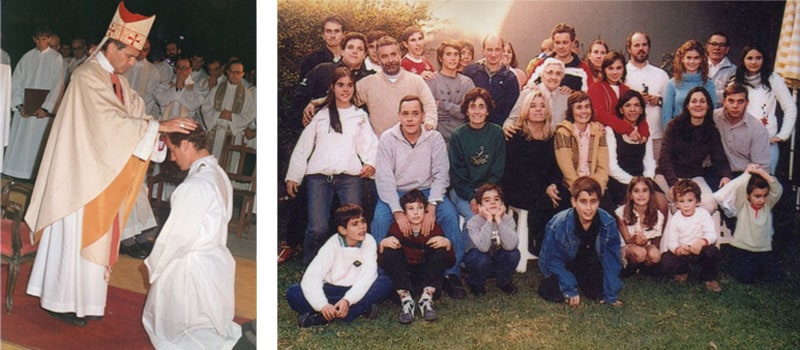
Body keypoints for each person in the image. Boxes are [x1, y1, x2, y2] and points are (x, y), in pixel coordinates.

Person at [25, 2, 197, 326]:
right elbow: (107, 122)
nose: (133, 63)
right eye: (129, 55)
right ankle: (58, 300)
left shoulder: (118, 80)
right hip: (79, 176)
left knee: (94, 239)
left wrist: (161, 131)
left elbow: (134, 116)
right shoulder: (87, 75)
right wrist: (156, 127)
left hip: (100, 174)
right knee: (73, 240)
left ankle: (83, 303)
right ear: (112, 44)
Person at [142, 127, 241, 348]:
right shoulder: (218, 174)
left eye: (173, 150)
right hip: (215, 260)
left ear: (186, 144)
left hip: (191, 267)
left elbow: (177, 238)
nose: (172, 157)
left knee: (170, 330)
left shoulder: (195, 185)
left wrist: (155, 265)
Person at [371, 95, 466, 299]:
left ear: (423, 115)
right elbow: (384, 178)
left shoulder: (434, 138)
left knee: (449, 215)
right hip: (396, 191)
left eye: (415, 113)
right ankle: (379, 275)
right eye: (405, 114)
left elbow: (442, 173)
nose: (410, 119)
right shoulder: (388, 138)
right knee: (380, 219)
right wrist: (397, 212)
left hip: (426, 191)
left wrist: (432, 207)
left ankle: (452, 274)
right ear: (399, 116)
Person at [286, 66, 378, 265]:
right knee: (317, 228)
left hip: (349, 178)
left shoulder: (359, 116)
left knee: (354, 224)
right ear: (332, 88)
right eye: (340, 85)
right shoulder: (321, 114)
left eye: (349, 85)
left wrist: (370, 162)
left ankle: (352, 263)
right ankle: (312, 265)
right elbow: (304, 146)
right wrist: (294, 175)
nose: (345, 90)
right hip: (318, 178)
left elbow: (370, 144)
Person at [285, 204, 392, 328]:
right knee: (293, 292)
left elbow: (367, 276)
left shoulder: (369, 241)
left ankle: (325, 316)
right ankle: (355, 310)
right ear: (342, 230)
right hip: (331, 289)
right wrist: (322, 304)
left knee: (384, 282)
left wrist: (347, 300)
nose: (362, 227)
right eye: (355, 224)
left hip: (355, 289)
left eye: (363, 221)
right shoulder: (332, 244)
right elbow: (312, 276)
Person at [538, 176, 623, 306]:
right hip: (564, 264)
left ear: (599, 202)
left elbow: (611, 259)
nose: (588, 208)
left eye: (593, 201)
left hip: (589, 264)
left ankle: (585, 284)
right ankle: (569, 283)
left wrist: (610, 294)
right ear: (573, 201)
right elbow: (550, 260)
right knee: (551, 291)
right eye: (583, 201)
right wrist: (569, 286)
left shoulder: (608, 222)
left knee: (599, 291)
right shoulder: (558, 223)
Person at [503, 89, 567, 255]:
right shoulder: (516, 136)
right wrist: (544, 189)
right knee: (544, 201)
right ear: (525, 110)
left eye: (542, 106)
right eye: (533, 106)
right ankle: (538, 243)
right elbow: (517, 172)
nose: (538, 109)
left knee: (565, 197)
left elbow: (556, 167)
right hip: (518, 187)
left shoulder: (552, 136)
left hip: (545, 187)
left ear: (547, 111)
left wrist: (553, 184)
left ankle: (563, 243)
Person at [379, 190, 454, 323]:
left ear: (426, 211)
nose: (416, 212)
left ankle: (426, 299)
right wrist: (382, 245)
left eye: (420, 208)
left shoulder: (433, 227)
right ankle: (406, 301)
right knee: (389, 247)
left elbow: (449, 262)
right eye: (411, 208)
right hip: (404, 276)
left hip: (426, 277)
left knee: (439, 246)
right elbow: (385, 261)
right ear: (404, 212)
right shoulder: (397, 227)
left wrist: (447, 245)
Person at [656, 86, 732, 214]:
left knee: (709, 204)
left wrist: (726, 175)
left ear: (708, 106)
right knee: (679, 206)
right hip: (668, 176)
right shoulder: (674, 125)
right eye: (694, 101)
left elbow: (719, 158)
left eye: (702, 101)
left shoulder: (711, 131)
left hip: (693, 176)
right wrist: (674, 184)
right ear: (687, 105)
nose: (698, 105)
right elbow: (664, 158)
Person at [3, 26, 65, 180]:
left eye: (44, 38)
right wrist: (19, 105)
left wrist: (46, 108)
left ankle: (33, 180)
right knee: (20, 145)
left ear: (50, 39)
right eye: (38, 38)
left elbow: (58, 85)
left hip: (41, 114)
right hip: (25, 110)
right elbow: (16, 82)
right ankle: (13, 179)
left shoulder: (56, 58)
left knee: (37, 148)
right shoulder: (27, 57)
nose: (41, 42)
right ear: (34, 39)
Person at [731, 43, 797, 174]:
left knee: (763, 186)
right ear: (743, 60)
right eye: (749, 58)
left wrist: (783, 135)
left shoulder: (773, 79)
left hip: (766, 144)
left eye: (758, 58)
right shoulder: (736, 81)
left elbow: (790, 107)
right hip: (740, 146)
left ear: (764, 59)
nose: (753, 62)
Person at [716, 164, 783, 284]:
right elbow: (740, 187)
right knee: (746, 278)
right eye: (757, 196)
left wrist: (762, 172)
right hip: (743, 249)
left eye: (764, 196)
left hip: (763, 249)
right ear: (748, 195)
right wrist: (747, 172)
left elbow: (777, 189)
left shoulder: (767, 205)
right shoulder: (742, 205)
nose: (762, 200)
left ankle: (759, 268)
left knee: (774, 277)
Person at [448, 87, 506, 224]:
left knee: (494, 218)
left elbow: (497, 170)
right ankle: (466, 247)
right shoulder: (458, 136)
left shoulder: (497, 133)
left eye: (481, 107)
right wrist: (472, 198)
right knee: (475, 219)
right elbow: (458, 173)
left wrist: (485, 198)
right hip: (463, 192)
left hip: (490, 192)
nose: (477, 111)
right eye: (472, 107)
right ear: (467, 111)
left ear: (487, 111)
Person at [294, 32, 373, 126]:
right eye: (350, 47)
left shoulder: (370, 79)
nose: (355, 51)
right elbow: (299, 98)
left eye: (360, 49)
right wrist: (308, 110)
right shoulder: (322, 70)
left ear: (365, 55)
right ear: (342, 51)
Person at [660, 179, 722, 292]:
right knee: (666, 260)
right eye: (682, 201)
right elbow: (672, 242)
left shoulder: (703, 214)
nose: (686, 205)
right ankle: (682, 271)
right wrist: (678, 250)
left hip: (700, 249)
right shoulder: (676, 219)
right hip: (684, 251)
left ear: (697, 201)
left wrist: (702, 242)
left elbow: (712, 235)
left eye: (690, 200)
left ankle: (708, 278)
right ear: (677, 204)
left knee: (712, 252)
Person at [464, 183, 520, 296]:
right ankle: (476, 283)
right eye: (487, 200)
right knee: (479, 257)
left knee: (513, 253)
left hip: (497, 259)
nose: (493, 202)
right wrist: (489, 219)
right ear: (480, 206)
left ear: (502, 204)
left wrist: (499, 219)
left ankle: (504, 281)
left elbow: (510, 245)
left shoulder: (507, 219)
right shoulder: (473, 222)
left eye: (496, 199)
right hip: (479, 258)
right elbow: (483, 247)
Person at [605, 90, 657, 206]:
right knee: (631, 206)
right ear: (621, 110)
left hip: (642, 180)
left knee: (661, 202)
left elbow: (649, 160)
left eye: (636, 105)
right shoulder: (611, 131)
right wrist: (634, 183)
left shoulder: (644, 131)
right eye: (628, 105)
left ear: (641, 110)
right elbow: (611, 167)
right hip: (620, 181)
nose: (632, 109)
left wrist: (647, 180)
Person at [554, 91, 609, 199]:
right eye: (579, 107)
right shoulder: (563, 132)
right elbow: (567, 168)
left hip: (595, 186)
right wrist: (579, 192)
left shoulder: (598, 131)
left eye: (587, 107)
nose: (584, 111)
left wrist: (597, 189)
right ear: (571, 110)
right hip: (571, 187)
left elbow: (603, 166)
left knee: (608, 214)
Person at [624, 32, 670, 162]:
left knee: (656, 174)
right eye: (636, 45)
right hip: (631, 135)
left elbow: (670, 103)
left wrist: (658, 100)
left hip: (657, 135)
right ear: (629, 48)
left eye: (644, 45)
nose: (641, 48)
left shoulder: (661, 74)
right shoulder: (622, 73)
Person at [201, 59, 256, 162]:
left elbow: (250, 115)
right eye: (232, 71)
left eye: (238, 72)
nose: (235, 75)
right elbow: (205, 108)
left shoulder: (247, 95)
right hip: (215, 132)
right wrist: (218, 114)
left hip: (233, 136)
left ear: (242, 74)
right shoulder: (216, 89)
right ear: (227, 72)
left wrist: (232, 117)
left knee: (229, 165)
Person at [588, 51, 650, 142]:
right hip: (602, 137)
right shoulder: (595, 88)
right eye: (610, 68)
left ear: (624, 69)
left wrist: (643, 132)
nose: (615, 72)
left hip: (624, 139)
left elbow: (640, 114)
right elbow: (600, 114)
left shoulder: (626, 90)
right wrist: (628, 129)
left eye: (619, 68)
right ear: (604, 69)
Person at [712, 82, 771, 174]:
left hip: (743, 174)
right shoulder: (712, 118)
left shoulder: (757, 129)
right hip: (714, 172)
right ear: (724, 101)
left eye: (740, 102)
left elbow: (761, 166)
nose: (735, 106)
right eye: (731, 101)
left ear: (747, 103)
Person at [504, 57, 569, 138]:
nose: (554, 77)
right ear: (541, 75)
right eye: (549, 73)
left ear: (562, 77)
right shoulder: (528, 93)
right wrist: (507, 126)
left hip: (557, 144)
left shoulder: (566, 97)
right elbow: (513, 118)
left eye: (558, 74)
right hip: (530, 141)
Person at [462, 34, 519, 125]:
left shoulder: (510, 78)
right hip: (471, 128)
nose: (493, 54)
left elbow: (511, 109)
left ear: (502, 51)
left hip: (498, 131)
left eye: (497, 50)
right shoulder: (470, 72)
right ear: (483, 50)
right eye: (489, 50)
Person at [425, 39, 475, 143]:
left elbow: (467, 113)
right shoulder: (431, 81)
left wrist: (442, 105)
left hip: (463, 139)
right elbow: (429, 113)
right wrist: (457, 109)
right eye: (448, 54)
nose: (453, 58)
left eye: (456, 54)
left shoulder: (467, 83)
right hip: (438, 140)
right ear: (440, 58)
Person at [662, 40, 717, 128]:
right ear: (682, 59)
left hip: (703, 133)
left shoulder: (709, 84)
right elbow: (666, 115)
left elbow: (713, 113)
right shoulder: (672, 84)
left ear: (701, 60)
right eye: (688, 57)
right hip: (678, 133)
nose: (692, 62)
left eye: (696, 58)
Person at [615, 176, 664, 269]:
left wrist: (646, 243)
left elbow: (655, 241)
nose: (641, 195)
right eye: (636, 191)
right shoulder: (620, 212)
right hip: (627, 247)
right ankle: (630, 266)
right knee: (640, 253)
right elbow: (627, 240)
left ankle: (644, 268)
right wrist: (635, 239)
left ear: (650, 194)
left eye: (645, 191)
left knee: (655, 255)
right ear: (630, 195)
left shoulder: (658, 215)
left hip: (646, 247)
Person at [528, 23, 592, 93]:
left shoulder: (583, 69)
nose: (561, 46)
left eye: (565, 42)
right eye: (557, 43)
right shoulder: (542, 65)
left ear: (573, 43)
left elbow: (590, 97)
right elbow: (526, 89)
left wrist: (572, 93)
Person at [298, 14, 346, 79]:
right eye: (328, 31)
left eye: (336, 31)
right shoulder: (311, 60)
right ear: (323, 35)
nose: (333, 35)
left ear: (343, 34)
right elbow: (304, 87)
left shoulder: (351, 59)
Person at [123, 38, 161, 117]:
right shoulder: (124, 63)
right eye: (139, 48)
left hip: (139, 112)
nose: (141, 52)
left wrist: (138, 111)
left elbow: (150, 96)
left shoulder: (152, 71)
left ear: (149, 51)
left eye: (145, 49)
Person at [706, 32, 736, 107]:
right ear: (707, 47)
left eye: (722, 45)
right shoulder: (698, 66)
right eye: (714, 44)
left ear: (727, 49)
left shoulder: (733, 70)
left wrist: (703, 93)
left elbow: (729, 95)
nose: (717, 48)